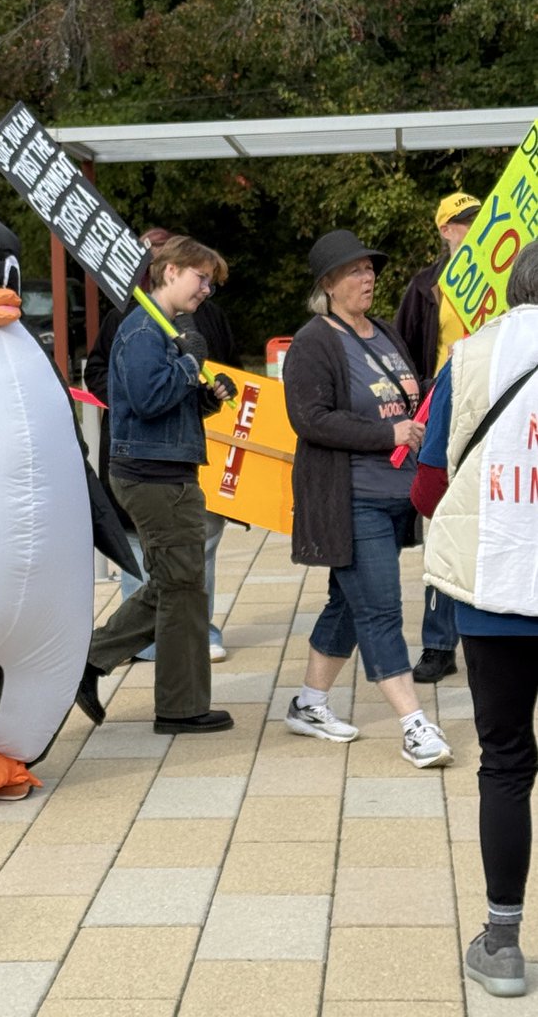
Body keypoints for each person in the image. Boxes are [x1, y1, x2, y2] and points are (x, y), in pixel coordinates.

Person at [411, 240, 538, 998]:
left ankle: (502, 941)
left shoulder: (471, 356)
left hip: (494, 595)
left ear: (513, 288)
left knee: (505, 762)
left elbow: (429, 484)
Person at [281, 228, 453, 768]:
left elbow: (406, 394)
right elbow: (310, 419)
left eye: (370, 268)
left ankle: (309, 703)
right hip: (350, 499)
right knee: (379, 608)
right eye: (355, 270)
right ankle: (413, 726)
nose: (368, 277)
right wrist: (390, 435)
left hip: (394, 497)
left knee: (347, 603)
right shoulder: (314, 342)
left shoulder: (381, 332)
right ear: (329, 283)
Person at [74, 236, 237, 735]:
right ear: (168, 272)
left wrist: (206, 397)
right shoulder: (143, 330)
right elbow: (145, 400)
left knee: (174, 584)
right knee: (183, 588)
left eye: (210, 281)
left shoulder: (163, 330)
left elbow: (162, 406)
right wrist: (189, 365)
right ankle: (179, 707)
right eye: (200, 277)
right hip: (154, 478)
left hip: (165, 469)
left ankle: (90, 664)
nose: (206, 289)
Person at [396, 191, 482, 684]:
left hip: (493, 400)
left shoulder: (508, 279)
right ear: (445, 230)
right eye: (462, 222)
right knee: (443, 523)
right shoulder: (426, 285)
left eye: (476, 219)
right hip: (444, 407)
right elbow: (407, 347)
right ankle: (438, 643)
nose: (471, 227)